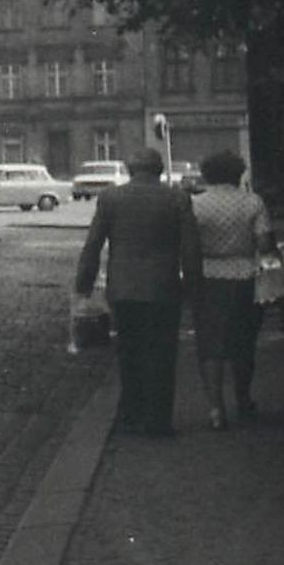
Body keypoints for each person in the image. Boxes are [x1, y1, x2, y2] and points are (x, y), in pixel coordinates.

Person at [74, 147, 202, 436]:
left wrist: (83, 285)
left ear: (131, 170)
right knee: (163, 354)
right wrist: (194, 287)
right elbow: (190, 249)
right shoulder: (177, 198)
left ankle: (132, 415)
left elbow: (93, 244)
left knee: (129, 352)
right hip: (163, 289)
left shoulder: (110, 198)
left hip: (124, 289)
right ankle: (158, 421)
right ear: (158, 170)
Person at [190, 150, 275, 428]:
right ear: (239, 174)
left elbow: (188, 245)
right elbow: (263, 245)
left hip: (208, 277)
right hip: (245, 277)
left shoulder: (195, 204)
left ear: (207, 174)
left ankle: (216, 408)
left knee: (211, 344)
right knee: (243, 342)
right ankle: (243, 399)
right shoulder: (252, 202)